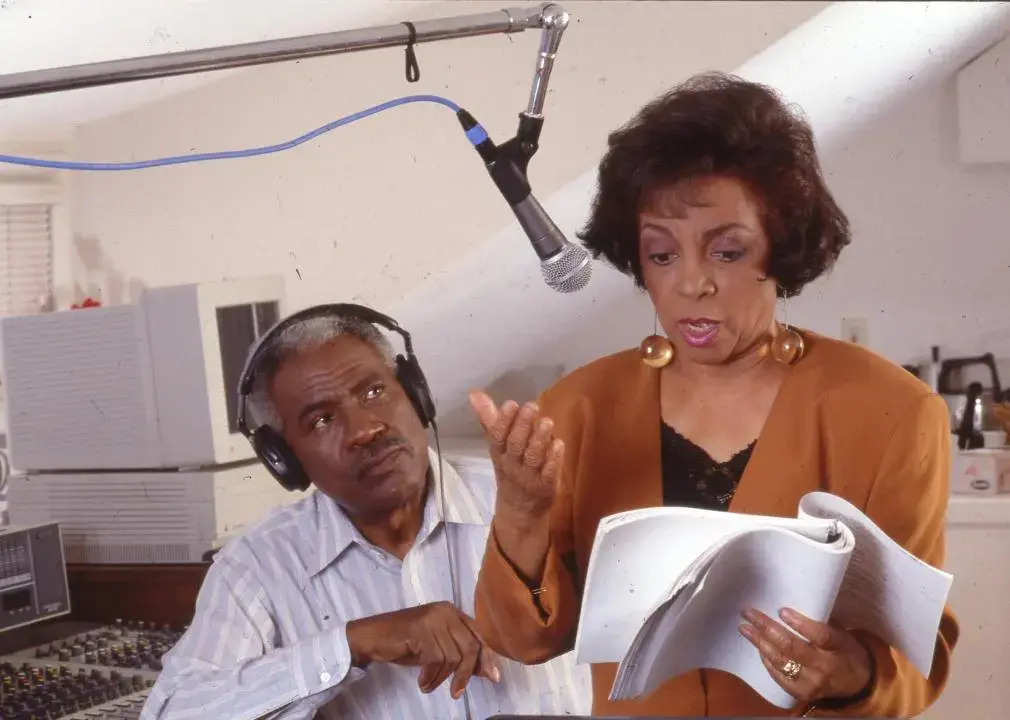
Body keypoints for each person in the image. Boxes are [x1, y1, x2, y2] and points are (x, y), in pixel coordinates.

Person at [469, 72, 959, 718]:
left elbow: (912, 662)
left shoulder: (892, 413)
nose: (692, 284)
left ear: (780, 249)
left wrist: (853, 673)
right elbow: (520, 641)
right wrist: (522, 520)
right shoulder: (578, 410)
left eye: (727, 252)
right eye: (662, 255)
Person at [141, 305, 591, 720]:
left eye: (374, 391)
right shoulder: (257, 566)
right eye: (322, 420)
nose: (365, 430)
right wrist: (353, 643)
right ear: (286, 460)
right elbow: (173, 711)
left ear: (416, 395)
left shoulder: (533, 493)